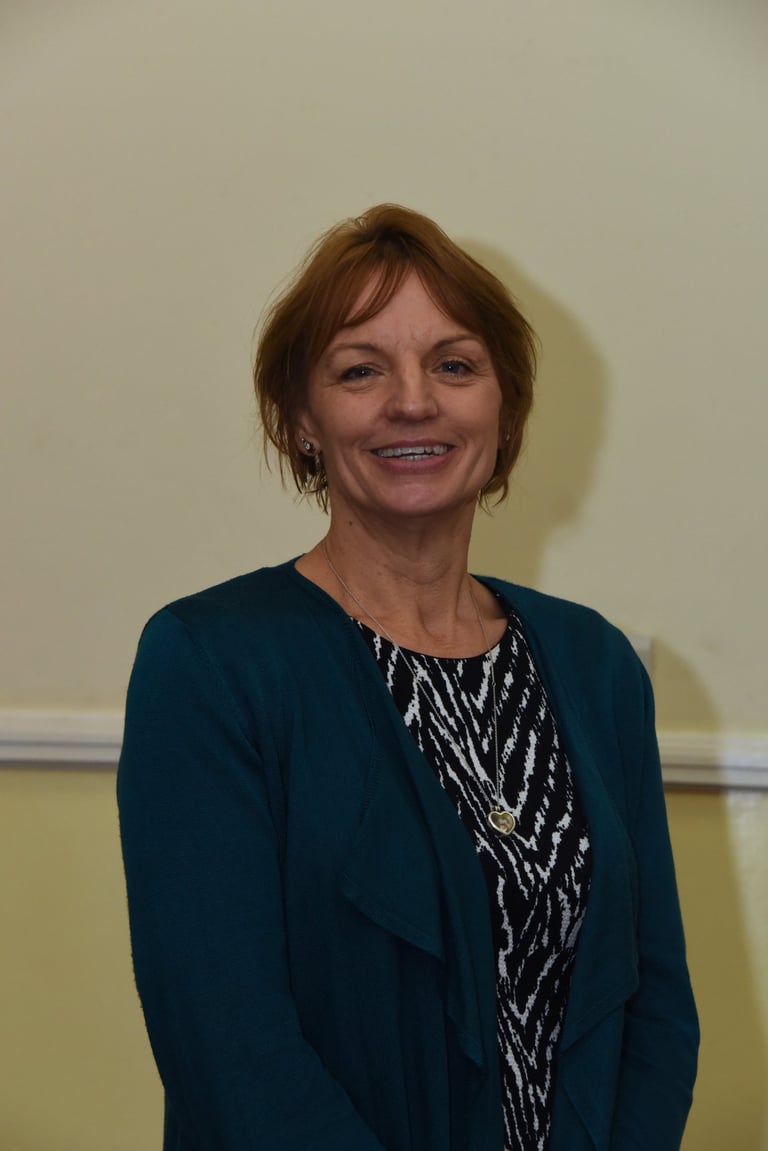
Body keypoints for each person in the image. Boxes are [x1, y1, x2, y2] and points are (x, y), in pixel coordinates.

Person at [117, 204, 699, 1151]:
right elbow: (227, 1044)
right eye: (361, 370)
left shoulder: (595, 664)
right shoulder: (211, 662)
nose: (413, 401)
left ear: (504, 407)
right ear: (302, 419)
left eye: (454, 365)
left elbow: (657, 1005)